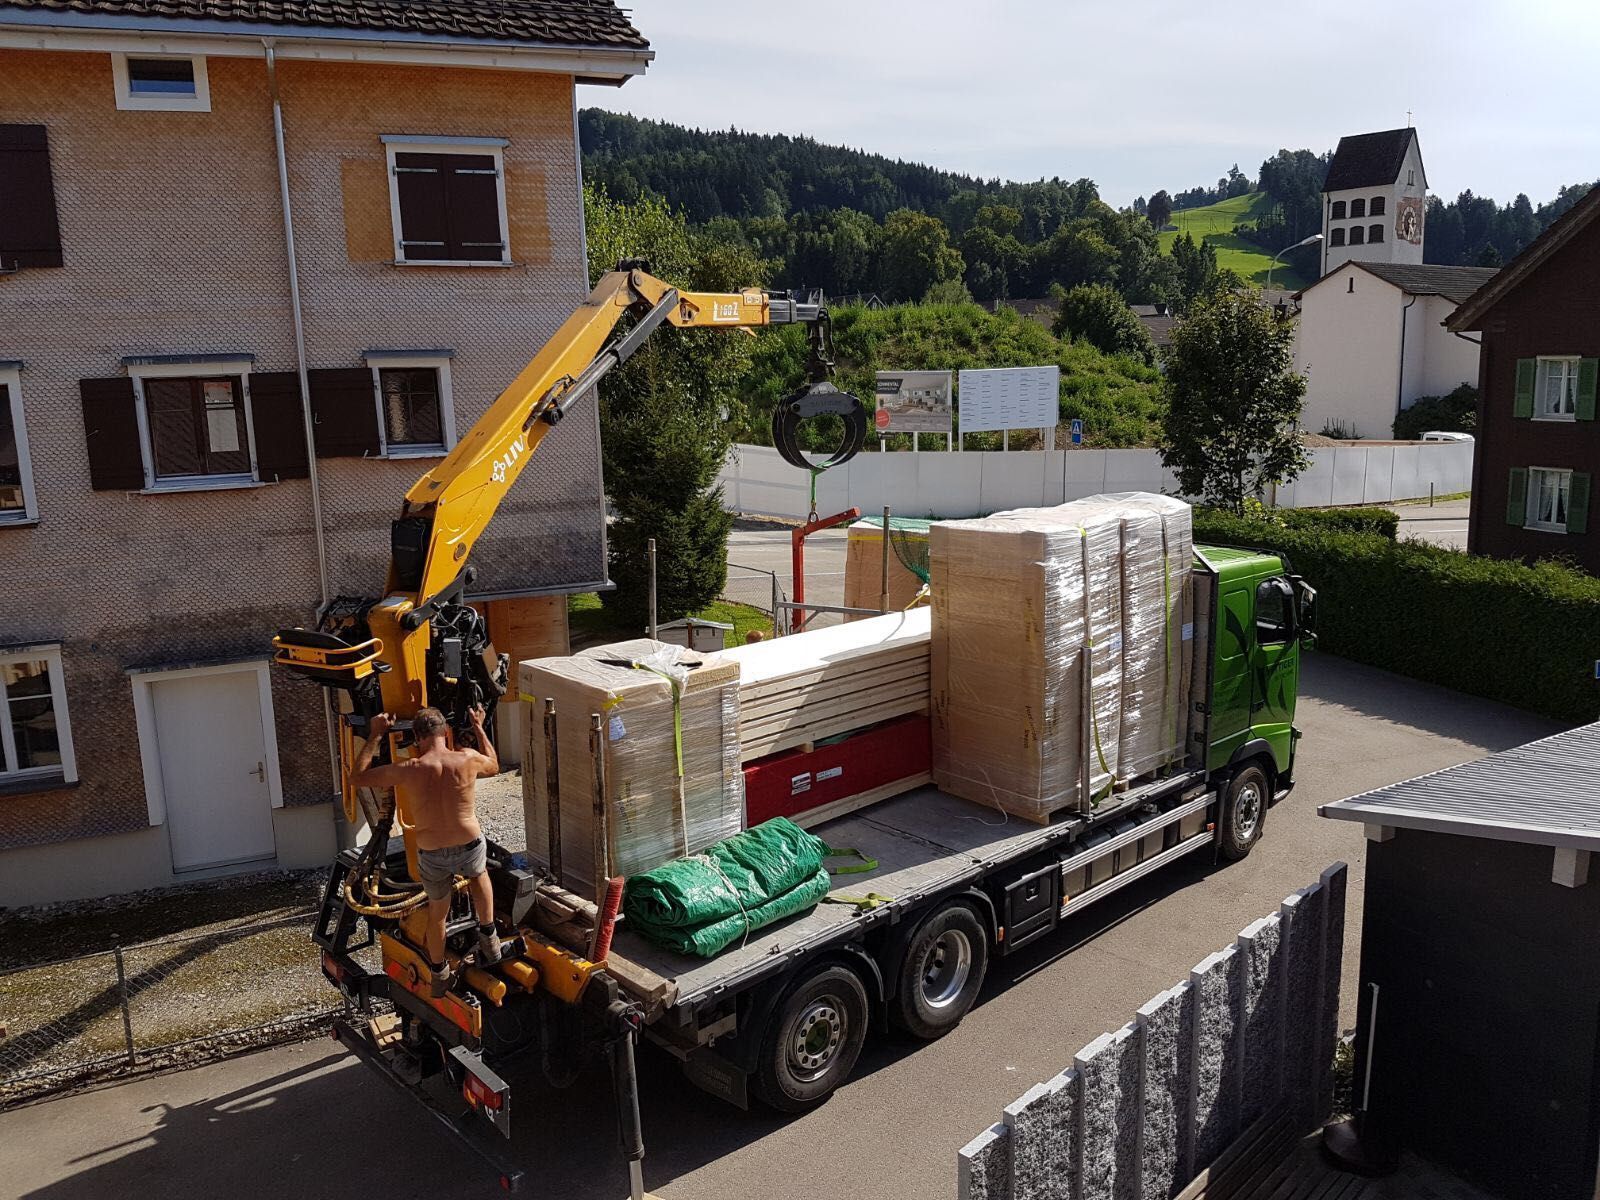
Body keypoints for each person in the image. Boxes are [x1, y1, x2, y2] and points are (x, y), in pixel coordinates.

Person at [350, 704, 502, 997]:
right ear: (445, 732)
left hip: (431, 853)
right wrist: (479, 726)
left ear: (416, 737)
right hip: (467, 844)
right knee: (479, 874)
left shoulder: (409, 770)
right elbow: (494, 765)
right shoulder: (467, 759)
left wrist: (376, 735)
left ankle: (439, 971)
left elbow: (358, 778)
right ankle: (489, 934)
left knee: (438, 914)